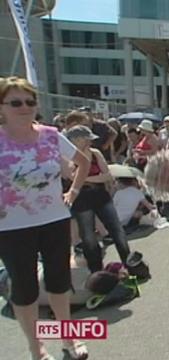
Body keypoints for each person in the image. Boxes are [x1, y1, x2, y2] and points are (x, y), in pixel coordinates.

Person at [0, 76, 90, 360]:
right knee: (24, 289)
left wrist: (73, 192)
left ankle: (69, 339)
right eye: (16, 102)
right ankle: (36, 348)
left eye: (30, 101)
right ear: (1, 106)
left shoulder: (51, 134)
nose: (25, 107)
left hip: (54, 220)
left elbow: (83, 161)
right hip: (11, 227)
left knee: (59, 283)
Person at [65, 124, 132, 273]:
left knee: (117, 230)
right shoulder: (67, 156)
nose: (89, 142)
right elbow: (71, 176)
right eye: (86, 139)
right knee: (88, 236)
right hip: (81, 198)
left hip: (100, 195)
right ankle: (97, 271)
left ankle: (129, 264)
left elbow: (107, 175)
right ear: (75, 140)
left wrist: (86, 178)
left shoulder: (95, 153)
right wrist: (92, 178)